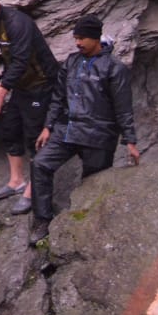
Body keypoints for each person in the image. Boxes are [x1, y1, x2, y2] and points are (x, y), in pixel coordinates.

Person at [28, 15, 140, 245]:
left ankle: (87, 230)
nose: (78, 43)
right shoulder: (71, 62)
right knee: (40, 164)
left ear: (96, 38)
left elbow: (123, 107)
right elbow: (57, 98)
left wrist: (130, 140)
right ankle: (42, 220)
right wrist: (48, 127)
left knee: (93, 183)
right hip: (67, 129)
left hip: (99, 134)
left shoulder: (114, 68)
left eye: (82, 38)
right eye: (76, 38)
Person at [0, 0, 59, 216]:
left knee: (34, 135)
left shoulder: (18, 23)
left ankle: (33, 190)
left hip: (41, 83)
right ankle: (16, 181)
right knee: (8, 128)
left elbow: (20, 60)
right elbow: (9, 62)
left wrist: (1, 93)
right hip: (21, 85)